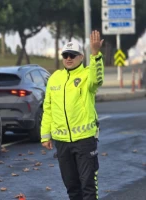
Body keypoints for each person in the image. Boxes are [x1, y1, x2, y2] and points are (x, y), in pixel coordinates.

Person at [40, 30, 104, 200]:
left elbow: (98, 79)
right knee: (72, 187)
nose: (68, 58)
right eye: (66, 55)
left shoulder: (87, 75)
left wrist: (96, 54)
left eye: (73, 55)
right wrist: (45, 135)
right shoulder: (54, 78)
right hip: (62, 143)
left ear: (81, 57)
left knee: (88, 186)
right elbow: (48, 108)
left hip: (84, 140)